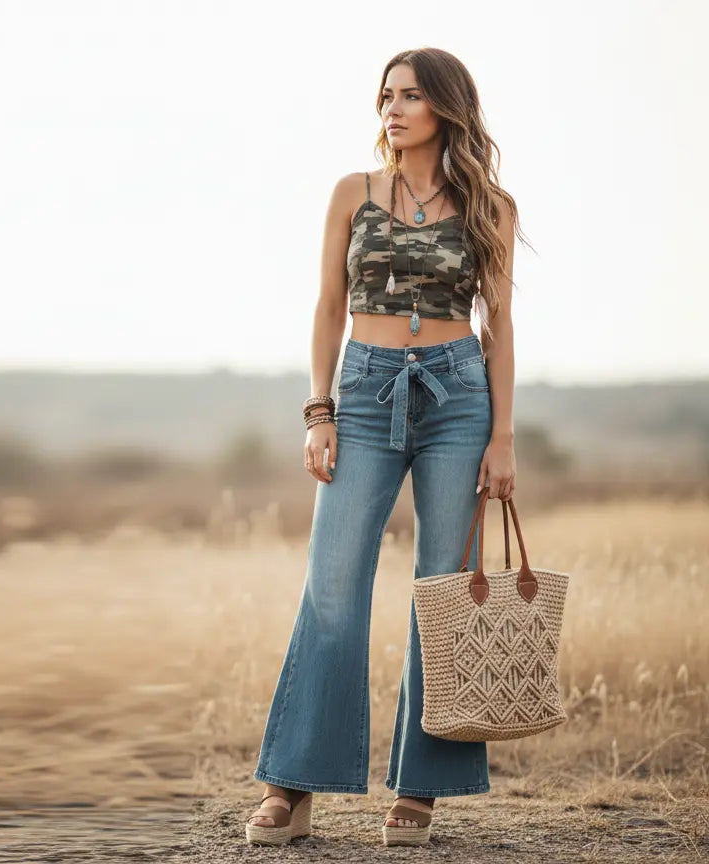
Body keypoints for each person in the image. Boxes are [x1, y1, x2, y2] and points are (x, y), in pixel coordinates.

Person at [245, 47, 525, 848]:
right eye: (386, 96)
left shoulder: (490, 206)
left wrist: (502, 436)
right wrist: (319, 410)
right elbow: (329, 305)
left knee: (442, 591)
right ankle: (293, 784)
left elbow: (499, 329)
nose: (392, 110)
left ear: (446, 107)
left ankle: (421, 787)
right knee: (332, 584)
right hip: (364, 391)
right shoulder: (352, 194)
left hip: (457, 395)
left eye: (409, 96)